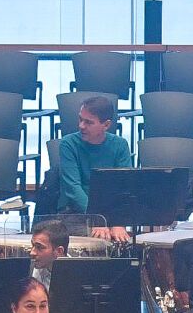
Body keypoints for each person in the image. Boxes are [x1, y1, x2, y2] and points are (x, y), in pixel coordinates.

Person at [55, 94, 134, 227]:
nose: (81, 126)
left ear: (106, 125)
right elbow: (73, 189)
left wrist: (118, 222)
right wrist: (97, 220)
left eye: (89, 122)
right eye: (80, 119)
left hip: (111, 212)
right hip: (75, 212)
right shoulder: (68, 144)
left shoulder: (120, 145)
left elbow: (124, 186)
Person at [27, 218, 66, 287]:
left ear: (59, 251)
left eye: (39, 247)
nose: (32, 253)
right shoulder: (30, 272)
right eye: (33, 245)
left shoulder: (78, 273)